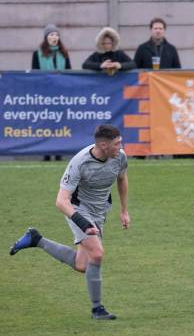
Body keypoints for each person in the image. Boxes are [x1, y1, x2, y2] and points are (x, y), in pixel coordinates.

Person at [9, 125, 130, 320]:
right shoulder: (79, 163)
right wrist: (83, 223)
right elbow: (61, 200)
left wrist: (124, 210)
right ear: (103, 145)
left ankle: (36, 239)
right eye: (117, 144)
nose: (121, 146)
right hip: (77, 210)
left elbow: (122, 179)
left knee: (83, 264)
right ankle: (97, 309)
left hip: (99, 212)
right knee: (97, 254)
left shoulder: (120, 157)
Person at [32, 24, 71, 162]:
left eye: (56, 35)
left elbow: (69, 72)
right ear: (46, 37)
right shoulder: (37, 53)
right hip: (45, 95)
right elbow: (34, 73)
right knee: (46, 123)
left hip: (60, 95)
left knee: (59, 122)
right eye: (51, 35)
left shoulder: (64, 53)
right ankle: (46, 152)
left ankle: (59, 151)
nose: (54, 37)